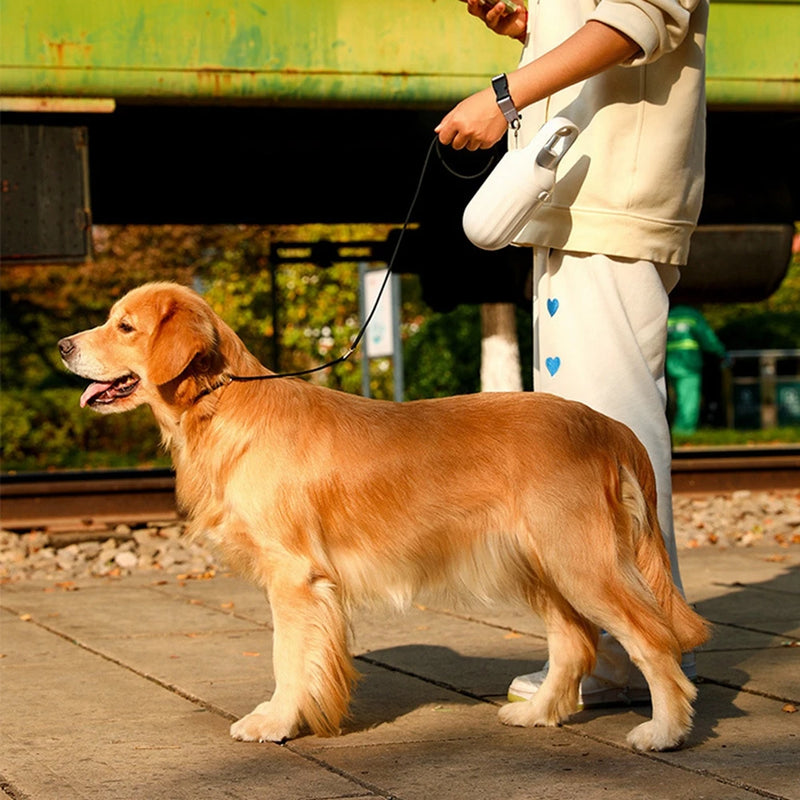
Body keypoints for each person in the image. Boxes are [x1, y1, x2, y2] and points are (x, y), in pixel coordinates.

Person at [435, 0, 708, 705]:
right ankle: (607, 646)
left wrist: (503, 95)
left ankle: (636, 649)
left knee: (609, 439)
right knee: (581, 448)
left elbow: (637, 20)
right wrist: (534, 24)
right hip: (578, 204)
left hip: (609, 206)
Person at [667, 304, 728, 435]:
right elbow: (708, 339)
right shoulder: (693, 316)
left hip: (670, 363)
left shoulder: (669, 315)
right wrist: (721, 352)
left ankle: (674, 429)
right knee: (689, 399)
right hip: (689, 363)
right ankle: (683, 432)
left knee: (677, 398)